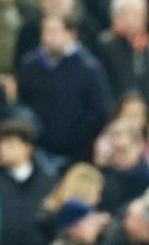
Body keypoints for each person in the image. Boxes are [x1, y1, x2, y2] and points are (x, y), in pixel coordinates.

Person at [17, 15, 111, 163]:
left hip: (77, 151)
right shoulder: (30, 65)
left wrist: (77, 139)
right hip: (39, 149)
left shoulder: (89, 67)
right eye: (45, 32)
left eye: (54, 31)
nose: (47, 38)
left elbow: (98, 109)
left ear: (71, 34)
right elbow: (22, 102)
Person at [96, 0, 149, 130]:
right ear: (118, 16)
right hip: (116, 123)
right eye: (136, 13)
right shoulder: (105, 46)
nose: (143, 18)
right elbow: (102, 88)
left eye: (143, 13)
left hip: (148, 122)